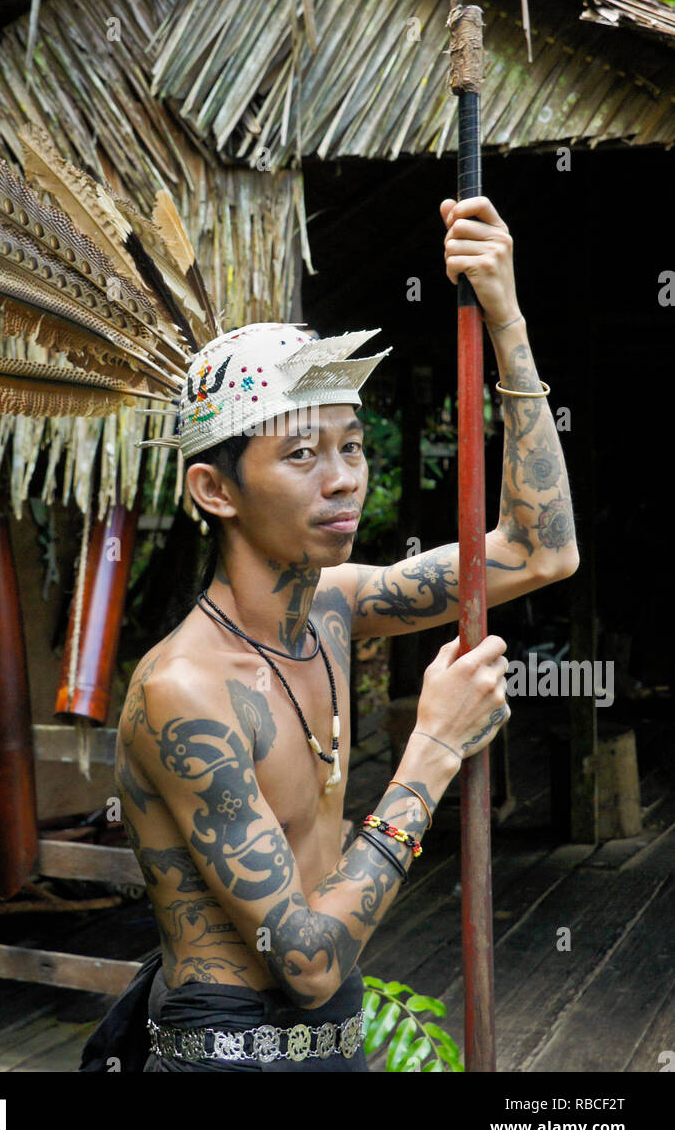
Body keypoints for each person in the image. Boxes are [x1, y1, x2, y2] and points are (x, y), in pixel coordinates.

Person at [81, 194, 579, 1073]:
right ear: (215, 491)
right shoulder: (182, 691)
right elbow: (305, 963)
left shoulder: (339, 604)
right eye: (303, 455)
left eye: (353, 447)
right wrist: (433, 749)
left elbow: (542, 550)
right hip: (229, 1053)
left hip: (332, 1041)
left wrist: (507, 318)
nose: (343, 479)